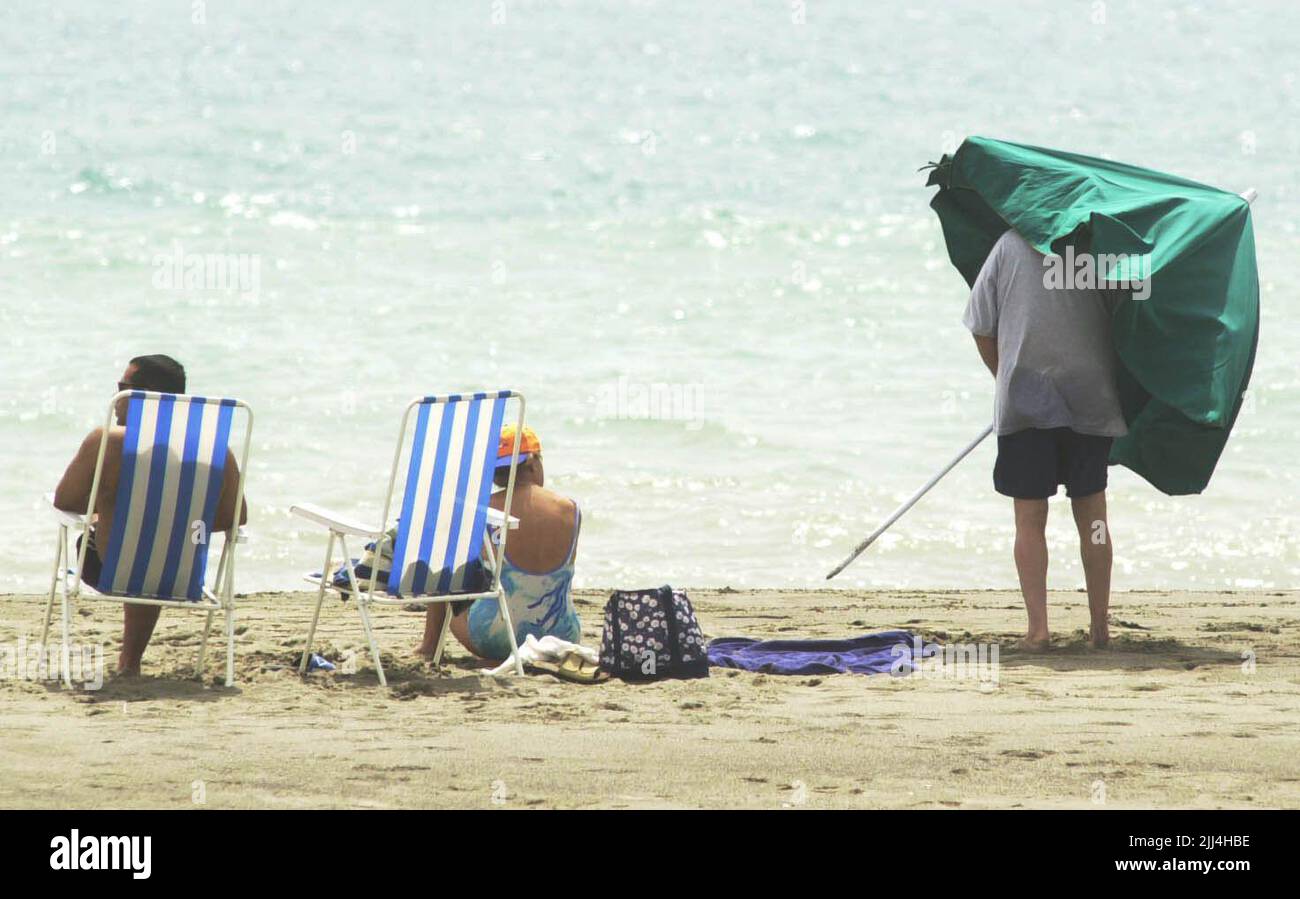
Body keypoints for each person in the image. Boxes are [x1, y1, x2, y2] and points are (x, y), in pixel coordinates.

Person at [963, 229, 1127, 650]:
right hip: (1091, 398)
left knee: (1030, 520)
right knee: (1093, 519)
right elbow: (1134, 319)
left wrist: (1005, 377)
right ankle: (1100, 629)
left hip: (1025, 401)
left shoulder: (1009, 245)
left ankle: (1038, 631)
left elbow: (981, 325)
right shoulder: (1101, 247)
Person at [52, 355, 248, 676]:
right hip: (180, 576)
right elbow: (235, 516)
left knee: (129, 541)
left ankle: (129, 662)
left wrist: (114, 508)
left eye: (122, 388)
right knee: (153, 547)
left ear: (147, 395)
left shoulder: (107, 442)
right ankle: (130, 661)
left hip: (107, 571)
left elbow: (66, 500)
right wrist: (173, 521)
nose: (116, 399)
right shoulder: (216, 449)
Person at [417, 424, 582, 662]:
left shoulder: (481, 509)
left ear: (493, 473)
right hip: (562, 635)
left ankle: (429, 648)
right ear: (533, 461)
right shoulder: (570, 509)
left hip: (496, 638)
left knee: (444, 569)